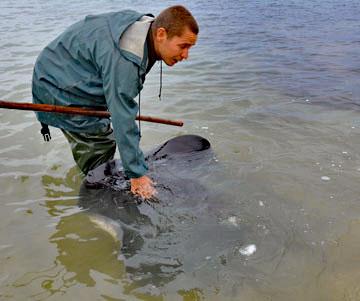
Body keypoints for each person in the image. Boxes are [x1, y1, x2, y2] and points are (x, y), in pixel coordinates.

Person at [32, 6, 199, 199]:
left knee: (107, 139)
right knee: (99, 147)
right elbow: (122, 116)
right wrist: (136, 174)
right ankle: (98, 199)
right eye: (183, 46)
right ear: (161, 34)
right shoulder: (127, 58)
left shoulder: (146, 29)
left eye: (190, 48)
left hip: (71, 71)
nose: (186, 56)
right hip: (58, 87)